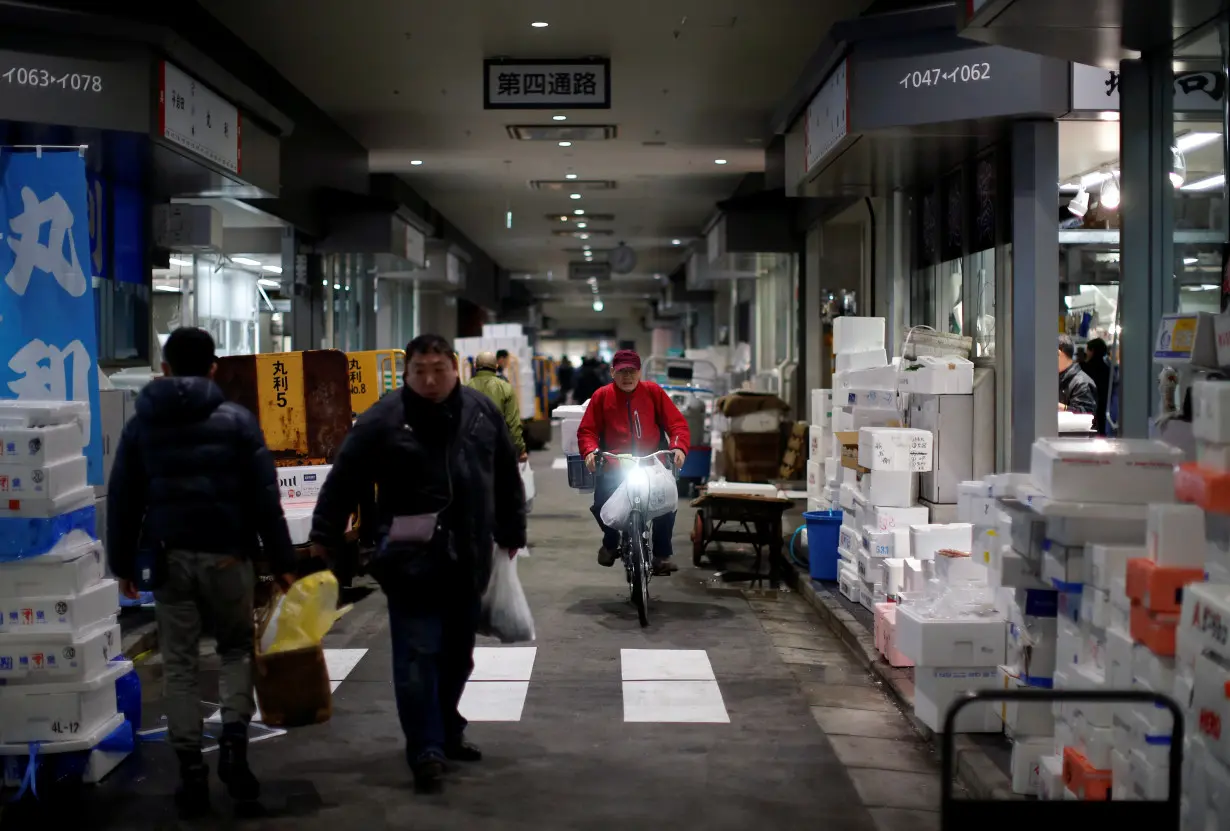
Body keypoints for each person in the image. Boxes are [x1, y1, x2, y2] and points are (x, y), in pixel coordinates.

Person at [310, 334, 526, 793]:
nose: (429, 380)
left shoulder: (481, 413)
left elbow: (505, 472)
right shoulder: (384, 418)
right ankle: (424, 748)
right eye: (419, 372)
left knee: (457, 657)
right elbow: (344, 477)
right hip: (408, 560)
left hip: (468, 556)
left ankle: (447, 727)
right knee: (415, 655)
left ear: (455, 368)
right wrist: (324, 535)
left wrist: (512, 530)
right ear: (406, 373)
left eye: (438, 370)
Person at [106, 327, 296, 818]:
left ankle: (191, 771)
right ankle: (234, 744)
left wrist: (123, 565)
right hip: (229, 556)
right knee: (235, 650)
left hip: (169, 559)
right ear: (214, 369)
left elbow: (124, 498)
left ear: (164, 369)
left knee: (182, 664)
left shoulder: (141, 423)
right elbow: (264, 500)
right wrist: (281, 563)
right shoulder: (237, 420)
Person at [577, 349, 690, 575]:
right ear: (612, 372)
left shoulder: (653, 393)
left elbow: (677, 424)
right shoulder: (601, 396)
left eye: (632, 371)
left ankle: (661, 555)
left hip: (650, 463)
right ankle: (610, 541)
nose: (627, 376)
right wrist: (590, 451)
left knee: (666, 503)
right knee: (602, 504)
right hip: (615, 464)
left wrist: (678, 446)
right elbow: (587, 431)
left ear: (640, 372)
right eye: (622, 372)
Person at [467, 350, 527, 461]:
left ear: (475, 366)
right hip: (498, 447)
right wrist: (520, 449)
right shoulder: (505, 387)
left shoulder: (465, 388)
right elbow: (513, 423)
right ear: (496, 366)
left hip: (472, 449)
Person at [1058, 334, 1097, 416]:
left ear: (1058, 353)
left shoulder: (1082, 383)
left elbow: (1086, 414)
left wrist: (1059, 407)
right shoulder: (1053, 379)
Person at [1081, 337, 1112, 434]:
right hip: (1103, 406)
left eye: (1088, 350)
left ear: (1092, 351)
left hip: (1086, 408)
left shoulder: (1084, 368)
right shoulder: (1107, 368)